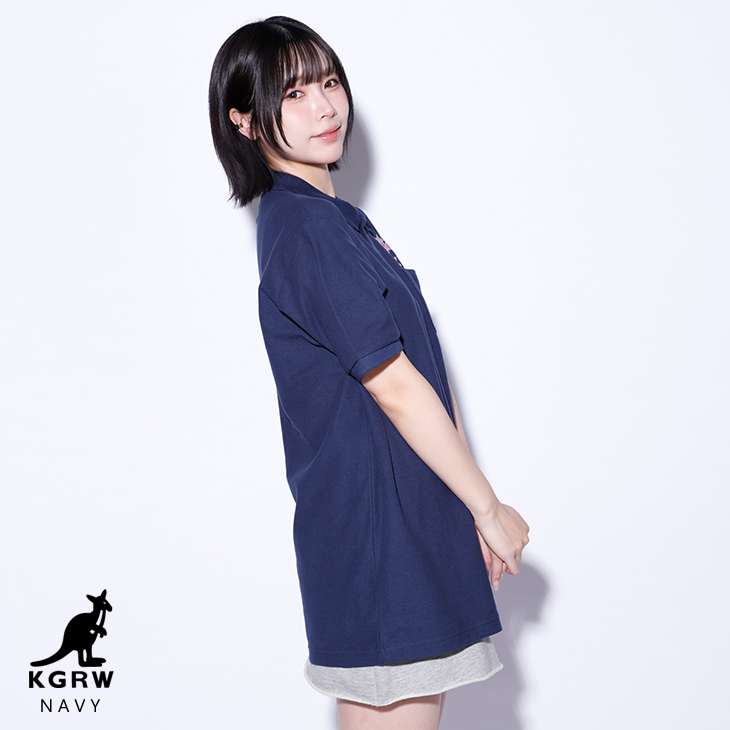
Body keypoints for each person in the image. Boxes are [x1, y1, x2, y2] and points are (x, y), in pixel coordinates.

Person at [209, 16, 529, 730]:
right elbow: (395, 386)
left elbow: (421, 373)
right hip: (381, 542)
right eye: (293, 94)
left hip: (404, 529)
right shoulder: (306, 230)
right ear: (245, 121)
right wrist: (487, 507)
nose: (324, 106)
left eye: (328, 82)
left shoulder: (335, 221)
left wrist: (466, 511)